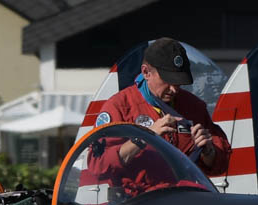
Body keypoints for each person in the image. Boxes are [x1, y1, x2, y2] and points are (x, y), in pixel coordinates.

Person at [95, 38, 230, 176]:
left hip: (184, 193)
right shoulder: (119, 107)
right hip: (137, 196)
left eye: (178, 82)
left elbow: (221, 162)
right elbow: (98, 165)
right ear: (146, 72)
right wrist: (144, 137)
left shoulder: (194, 107)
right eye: (168, 81)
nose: (174, 89)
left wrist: (208, 152)